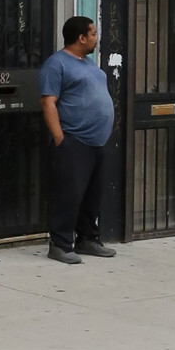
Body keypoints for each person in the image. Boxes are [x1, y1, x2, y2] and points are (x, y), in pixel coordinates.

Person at [39, 16, 117, 264]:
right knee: (69, 194)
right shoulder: (57, 64)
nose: (96, 38)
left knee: (92, 195)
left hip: (97, 142)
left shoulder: (89, 64)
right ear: (81, 37)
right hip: (74, 141)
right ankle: (60, 244)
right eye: (93, 33)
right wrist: (60, 138)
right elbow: (48, 102)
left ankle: (87, 239)